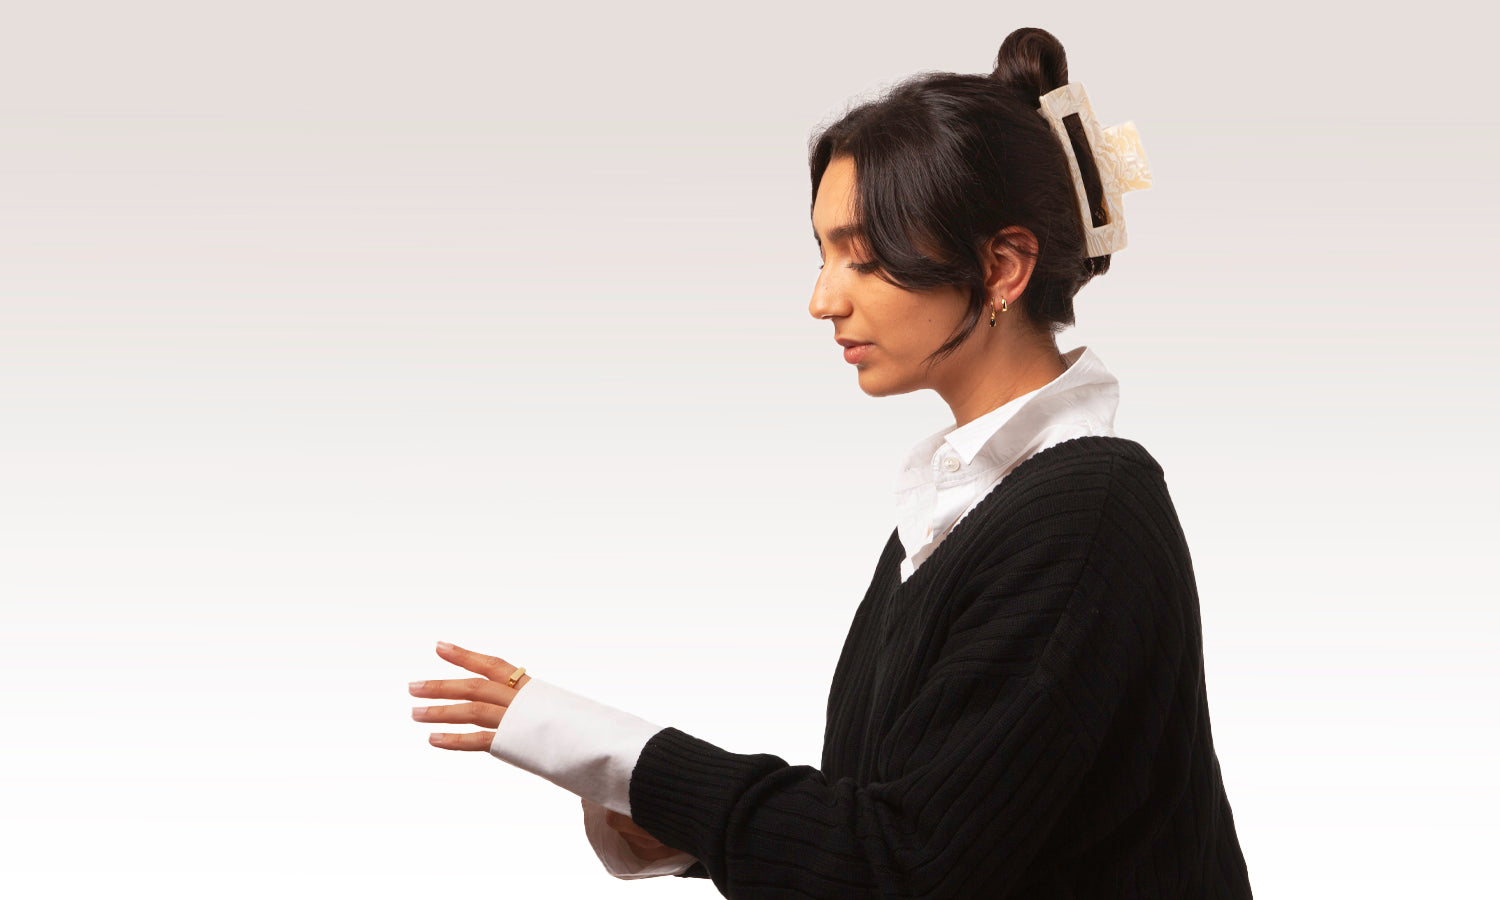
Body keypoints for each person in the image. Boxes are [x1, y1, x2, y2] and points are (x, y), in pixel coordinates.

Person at [408, 26, 1252, 898]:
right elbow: (908, 825)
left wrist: (620, 754)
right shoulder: (962, 508)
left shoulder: (1084, 512)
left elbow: (901, 870)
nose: (822, 299)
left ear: (1002, 266)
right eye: (823, 254)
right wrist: (687, 827)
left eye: (866, 256)